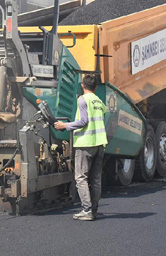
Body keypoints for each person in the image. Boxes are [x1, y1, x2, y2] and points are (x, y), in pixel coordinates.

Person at [54, 74, 107, 221]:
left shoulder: (83, 99)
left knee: (80, 177)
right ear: (95, 87)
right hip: (100, 143)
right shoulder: (99, 101)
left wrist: (65, 126)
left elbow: (83, 121)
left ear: (82, 85)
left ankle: (86, 210)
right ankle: (94, 209)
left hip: (86, 143)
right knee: (96, 179)